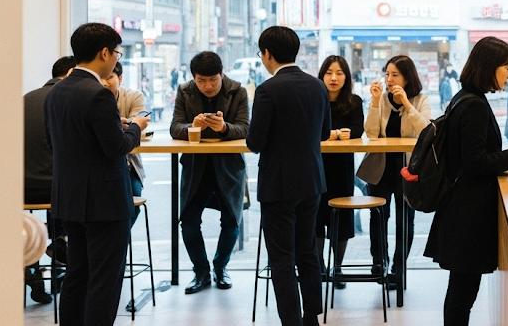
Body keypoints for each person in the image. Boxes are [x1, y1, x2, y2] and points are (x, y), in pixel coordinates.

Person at [423, 36, 508, 326]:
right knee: (463, 291)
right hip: (467, 212)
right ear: (489, 67)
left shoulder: (466, 97)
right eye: (505, 67)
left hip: (460, 208)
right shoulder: (473, 105)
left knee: (461, 289)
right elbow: (475, 163)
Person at [44, 22, 149, 325]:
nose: (117, 59)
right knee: (105, 280)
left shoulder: (56, 91)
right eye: (117, 53)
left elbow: (54, 143)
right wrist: (134, 128)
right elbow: (116, 147)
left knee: (77, 275)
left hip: (70, 198)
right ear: (105, 52)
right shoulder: (99, 94)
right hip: (104, 202)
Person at [247, 26, 330, 326]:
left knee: (282, 259)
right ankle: (311, 318)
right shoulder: (318, 86)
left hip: (278, 185)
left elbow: (255, 142)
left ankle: (291, 322)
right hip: (312, 180)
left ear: (267, 53)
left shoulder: (268, 90)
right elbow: (323, 133)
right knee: (307, 251)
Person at [169, 51, 250, 294]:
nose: (207, 86)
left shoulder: (238, 91)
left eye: (213, 80)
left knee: (232, 221)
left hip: (229, 167)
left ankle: (220, 267)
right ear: (193, 78)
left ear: (221, 74)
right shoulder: (185, 91)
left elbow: (245, 128)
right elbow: (175, 127)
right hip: (196, 167)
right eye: (201, 80)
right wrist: (192, 127)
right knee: (188, 222)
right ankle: (201, 271)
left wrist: (225, 128)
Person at [357, 54, 431, 288]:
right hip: (380, 168)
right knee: (378, 216)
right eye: (387, 74)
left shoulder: (420, 99)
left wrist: (407, 104)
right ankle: (379, 263)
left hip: (408, 169)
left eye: (395, 75)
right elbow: (371, 133)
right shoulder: (381, 100)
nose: (389, 79)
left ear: (408, 78)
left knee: (405, 220)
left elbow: (426, 130)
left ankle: (399, 268)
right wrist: (376, 102)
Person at [23, 55, 76, 305]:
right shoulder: (68, 100)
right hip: (58, 189)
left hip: (20, 190)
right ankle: (60, 240)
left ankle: (32, 268)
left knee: (28, 221)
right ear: (70, 74)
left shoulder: (24, 99)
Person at [315, 55, 364, 288]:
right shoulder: (313, 99)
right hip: (315, 167)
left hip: (342, 168)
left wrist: (340, 133)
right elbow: (312, 130)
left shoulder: (354, 101)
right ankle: (319, 268)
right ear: (322, 75)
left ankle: (338, 268)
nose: (334, 78)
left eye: (339, 73)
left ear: (347, 77)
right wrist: (334, 134)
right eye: (329, 72)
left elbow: (357, 128)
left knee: (341, 218)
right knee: (316, 216)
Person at [102, 61, 146, 226]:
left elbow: (141, 120)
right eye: (101, 78)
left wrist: (129, 125)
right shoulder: (92, 98)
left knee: (133, 199)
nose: (105, 82)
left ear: (120, 78)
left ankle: (116, 243)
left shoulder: (134, 96)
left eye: (109, 77)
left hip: (129, 165)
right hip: (101, 166)